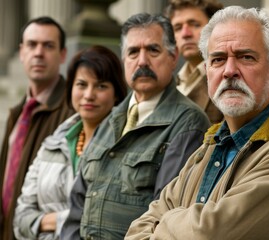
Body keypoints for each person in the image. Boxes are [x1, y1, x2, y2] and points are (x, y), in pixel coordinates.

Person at [126, 6, 269, 240]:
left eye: (245, 57)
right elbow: (138, 228)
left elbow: (212, 235)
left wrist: (167, 221)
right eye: (218, 60)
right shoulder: (211, 144)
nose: (229, 71)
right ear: (207, 71)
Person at [60, 13, 210, 239]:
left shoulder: (188, 123)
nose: (142, 61)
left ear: (173, 57)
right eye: (133, 52)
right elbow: (77, 205)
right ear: (124, 62)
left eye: (153, 50)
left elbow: (164, 213)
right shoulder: (110, 119)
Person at [12, 45, 128, 240]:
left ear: (116, 93)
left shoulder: (126, 145)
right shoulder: (53, 144)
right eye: (81, 84)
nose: (89, 95)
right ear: (71, 88)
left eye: (101, 86)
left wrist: (45, 222)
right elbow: (20, 218)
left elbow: (106, 220)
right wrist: (70, 219)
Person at [0, 16, 75, 240]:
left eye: (48, 45)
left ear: (62, 54)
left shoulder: (72, 112)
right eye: (32, 45)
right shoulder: (17, 112)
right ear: (22, 52)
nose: (39, 53)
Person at [164, 0, 223, 124]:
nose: (186, 34)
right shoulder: (171, 84)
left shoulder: (228, 77)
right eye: (178, 28)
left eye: (195, 24)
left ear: (215, 28)